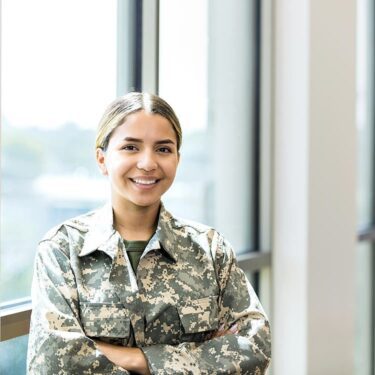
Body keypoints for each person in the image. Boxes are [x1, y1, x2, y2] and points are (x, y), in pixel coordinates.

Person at [27, 92, 271, 374]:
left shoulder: (210, 249)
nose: (147, 163)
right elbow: (54, 363)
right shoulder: (62, 249)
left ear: (178, 159)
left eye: (163, 149)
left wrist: (133, 359)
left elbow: (254, 348)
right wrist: (201, 358)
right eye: (130, 147)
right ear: (102, 159)